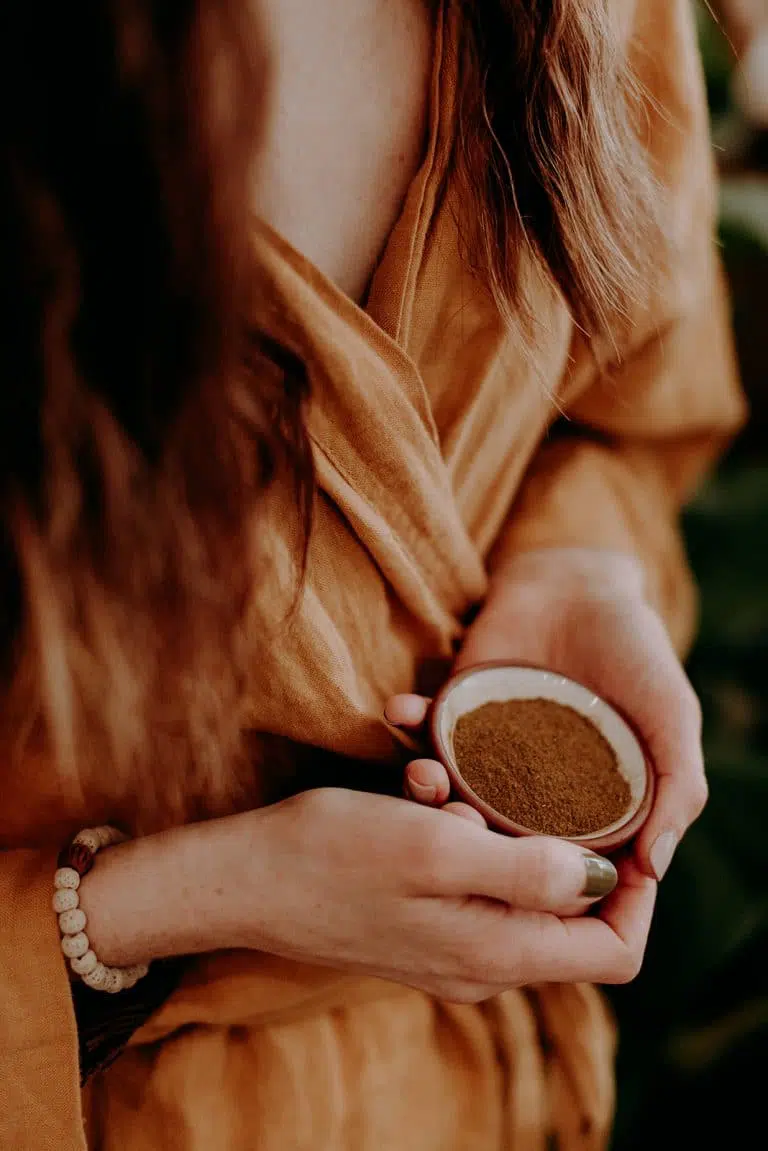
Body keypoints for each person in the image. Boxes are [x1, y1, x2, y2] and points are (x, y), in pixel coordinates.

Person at [0, 1, 746, 1148]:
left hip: (475, 1093)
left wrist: (578, 559)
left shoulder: (589, 13)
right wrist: (168, 904)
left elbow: (632, 411)